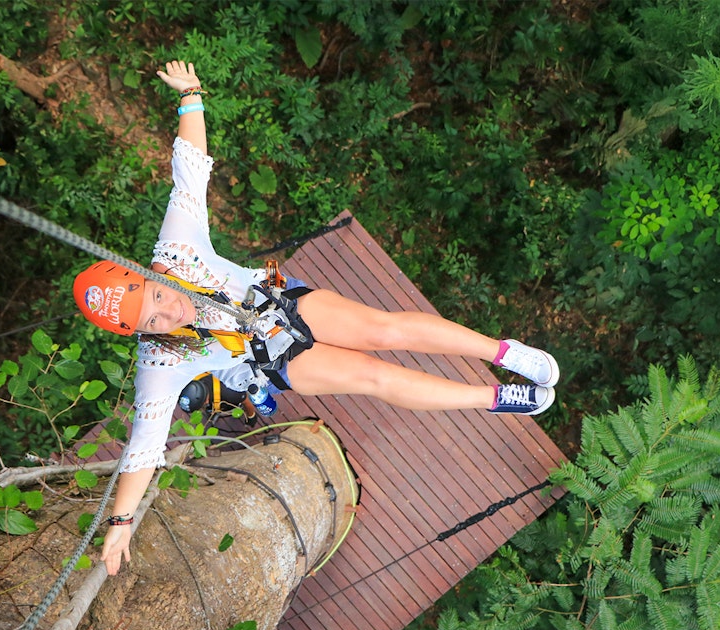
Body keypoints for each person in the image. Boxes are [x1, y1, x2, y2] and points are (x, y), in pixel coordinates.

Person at [73, 61, 561, 576]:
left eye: (157, 296)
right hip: (269, 360)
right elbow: (142, 449)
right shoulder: (158, 362)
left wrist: (191, 94)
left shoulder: (176, 247)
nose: (168, 312)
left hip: (280, 305)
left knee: (384, 330)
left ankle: (504, 353)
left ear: (148, 275)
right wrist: (121, 521)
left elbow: (189, 168)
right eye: (153, 322)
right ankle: (495, 398)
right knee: (375, 377)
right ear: (141, 335)